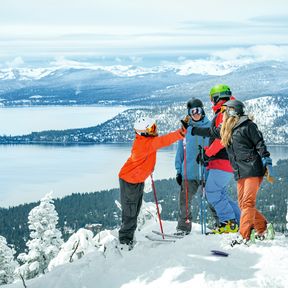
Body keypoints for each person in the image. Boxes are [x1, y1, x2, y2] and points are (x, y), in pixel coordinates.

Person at [118, 116, 187, 249]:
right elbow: (164, 141)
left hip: (136, 180)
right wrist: (181, 133)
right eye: (151, 128)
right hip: (129, 181)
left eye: (154, 126)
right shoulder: (145, 144)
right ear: (143, 131)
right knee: (130, 212)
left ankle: (128, 238)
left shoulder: (146, 140)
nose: (155, 130)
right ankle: (124, 241)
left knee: (135, 209)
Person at [220, 99, 274, 245]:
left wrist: (266, 160)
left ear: (233, 111)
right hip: (240, 171)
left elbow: (260, 143)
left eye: (226, 110)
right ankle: (263, 227)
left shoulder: (248, 126)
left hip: (253, 168)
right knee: (243, 205)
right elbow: (211, 131)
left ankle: (243, 236)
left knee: (248, 203)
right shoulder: (228, 129)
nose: (224, 113)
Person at [191, 84, 241, 234]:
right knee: (221, 194)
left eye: (212, 99)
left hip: (223, 162)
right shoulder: (228, 111)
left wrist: (208, 154)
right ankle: (239, 222)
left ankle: (228, 224)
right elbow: (217, 135)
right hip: (225, 161)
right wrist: (206, 153)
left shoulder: (225, 112)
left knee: (212, 192)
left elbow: (222, 138)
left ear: (217, 97)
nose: (212, 102)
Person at [175, 98, 218, 235]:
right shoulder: (185, 130)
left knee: (213, 199)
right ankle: (184, 228)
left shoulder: (210, 126)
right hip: (189, 173)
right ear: (189, 112)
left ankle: (221, 224)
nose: (196, 113)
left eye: (198, 110)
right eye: (193, 111)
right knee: (185, 202)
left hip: (207, 172)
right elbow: (180, 151)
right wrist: (178, 171)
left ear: (202, 110)